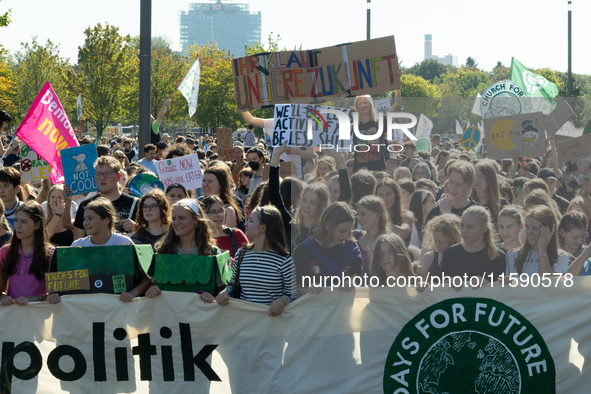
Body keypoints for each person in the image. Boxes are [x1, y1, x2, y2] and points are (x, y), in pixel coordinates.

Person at [215, 206, 294, 317]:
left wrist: (283, 300)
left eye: (251, 221)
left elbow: (294, 294)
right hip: (244, 322)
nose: (245, 224)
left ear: (263, 228)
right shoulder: (241, 254)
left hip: (272, 325)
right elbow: (232, 284)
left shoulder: (285, 260)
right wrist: (225, 293)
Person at [147, 199, 224, 300]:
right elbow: (153, 285)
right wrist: (152, 290)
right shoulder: (164, 251)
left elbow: (223, 291)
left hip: (201, 313)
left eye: (182, 218)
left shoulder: (212, 252)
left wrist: (213, 298)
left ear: (196, 220)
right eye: (174, 218)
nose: (176, 222)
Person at [293, 202, 362, 295]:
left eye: (348, 231)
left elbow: (357, 279)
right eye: (341, 231)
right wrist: (307, 290)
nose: (346, 235)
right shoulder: (302, 251)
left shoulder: (351, 249)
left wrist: (352, 283)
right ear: (327, 226)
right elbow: (293, 289)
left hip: (343, 307)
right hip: (314, 308)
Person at [0, 201, 60, 305]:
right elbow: (1, 289)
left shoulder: (51, 254)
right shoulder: (5, 251)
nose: (18, 226)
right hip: (13, 315)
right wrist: (2, 297)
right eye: (16, 220)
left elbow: (55, 295)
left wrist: (35, 299)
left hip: (40, 316)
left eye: (24, 221)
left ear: (37, 225)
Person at [67, 156, 139, 239]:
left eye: (107, 174)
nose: (102, 178)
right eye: (98, 174)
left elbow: (151, 237)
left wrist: (137, 228)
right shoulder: (85, 205)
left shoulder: (135, 203)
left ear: (118, 177)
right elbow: (78, 244)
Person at [439, 206, 506, 284]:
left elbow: (501, 291)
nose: (464, 231)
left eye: (470, 227)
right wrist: (449, 281)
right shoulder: (449, 253)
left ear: (484, 229)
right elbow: (439, 288)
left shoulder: (497, 256)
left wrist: (488, 284)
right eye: (462, 226)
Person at [348, 87, 402, 173]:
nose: (362, 105)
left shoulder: (379, 123)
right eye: (360, 104)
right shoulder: (353, 125)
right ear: (357, 107)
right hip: (359, 170)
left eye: (365, 103)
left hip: (378, 169)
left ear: (370, 104)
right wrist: (343, 102)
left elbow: (397, 105)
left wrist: (397, 87)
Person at [506, 206, 568, 276]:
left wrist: (542, 248)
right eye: (527, 227)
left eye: (535, 228)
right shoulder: (513, 255)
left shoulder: (561, 257)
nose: (529, 232)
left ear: (549, 230)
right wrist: (505, 281)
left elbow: (547, 282)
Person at [353, 196, 390, 275]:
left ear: (377, 215)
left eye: (363, 214)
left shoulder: (390, 241)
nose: (359, 218)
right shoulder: (354, 237)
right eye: (358, 214)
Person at [416, 214, 462, 278]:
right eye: (435, 240)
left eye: (442, 242)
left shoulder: (463, 257)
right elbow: (419, 282)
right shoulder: (429, 257)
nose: (437, 246)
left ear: (454, 240)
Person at [200, 164, 244, 230]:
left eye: (210, 181)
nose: (205, 185)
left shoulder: (228, 211)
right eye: (204, 181)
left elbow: (224, 237)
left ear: (221, 184)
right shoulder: (199, 204)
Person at [291, 183, 330, 248]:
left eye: (312, 203)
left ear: (324, 206)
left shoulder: (327, 231)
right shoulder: (291, 228)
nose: (306, 206)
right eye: (304, 200)